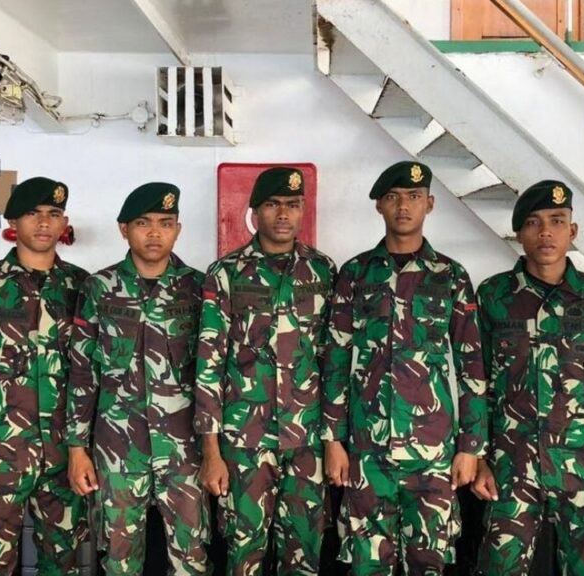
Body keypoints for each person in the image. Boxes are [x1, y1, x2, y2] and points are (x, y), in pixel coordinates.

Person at [322, 161, 485, 575]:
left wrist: (471, 446)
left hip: (432, 451)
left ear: (429, 204)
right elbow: (336, 360)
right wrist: (333, 440)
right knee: (366, 563)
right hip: (366, 449)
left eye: (414, 197)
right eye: (393, 197)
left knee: (429, 562)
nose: (403, 206)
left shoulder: (450, 275)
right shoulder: (356, 274)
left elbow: (471, 366)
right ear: (379, 205)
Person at [472, 180, 584, 575]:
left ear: (572, 231)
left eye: (557, 221)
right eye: (534, 222)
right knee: (499, 569)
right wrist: (478, 457)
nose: (546, 232)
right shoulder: (494, 296)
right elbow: (475, 382)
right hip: (511, 463)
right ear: (519, 233)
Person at [195, 167, 336, 575]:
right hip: (245, 441)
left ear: (303, 210)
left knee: (304, 554)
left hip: (307, 440)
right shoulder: (226, 273)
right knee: (244, 553)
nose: (283, 214)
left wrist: (333, 441)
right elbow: (209, 364)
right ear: (254, 212)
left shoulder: (323, 271)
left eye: (292, 205)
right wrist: (211, 452)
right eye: (273, 204)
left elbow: (333, 361)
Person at [67, 182, 209, 575]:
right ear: (123, 229)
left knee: (191, 558)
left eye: (166, 223)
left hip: (185, 450)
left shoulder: (199, 289)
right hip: (117, 449)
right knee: (119, 559)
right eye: (143, 223)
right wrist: (77, 448)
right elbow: (82, 372)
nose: (154, 233)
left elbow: (214, 373)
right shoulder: (99, 288)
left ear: (178, 229)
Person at [0, 177, 89, 575]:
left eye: (53, 214)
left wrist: (84, 447)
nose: (44, 223)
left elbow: (91, 373)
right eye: (33, 214)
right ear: (14, 221)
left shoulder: (82, 286)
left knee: (64, 562)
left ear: (64, 222)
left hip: (65, 451)